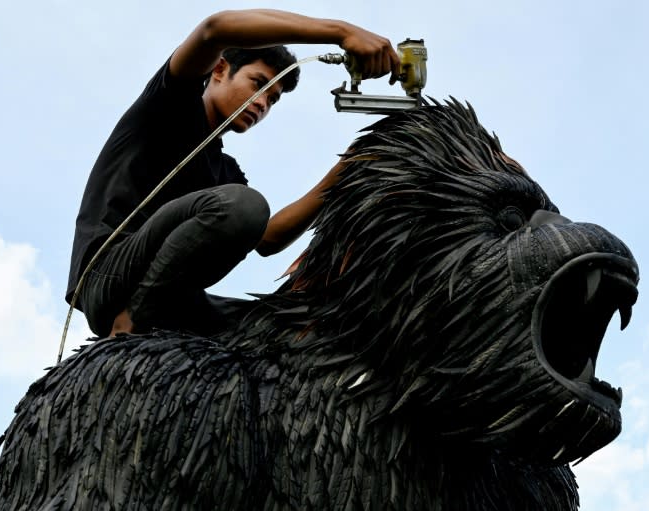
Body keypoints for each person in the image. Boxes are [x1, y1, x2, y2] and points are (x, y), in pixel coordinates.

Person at [66, 9, 400, 337]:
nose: (262, 104)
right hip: (109, 278)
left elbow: (267, 238)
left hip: (178, 299)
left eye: (272, 99)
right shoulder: (170, 103)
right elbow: (215, 29)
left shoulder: (224, 171)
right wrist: (341, 32)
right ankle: (129, 327)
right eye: (258, 84)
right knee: (244, 206)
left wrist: (347, 167)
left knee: (284, 324)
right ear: (220, 69)